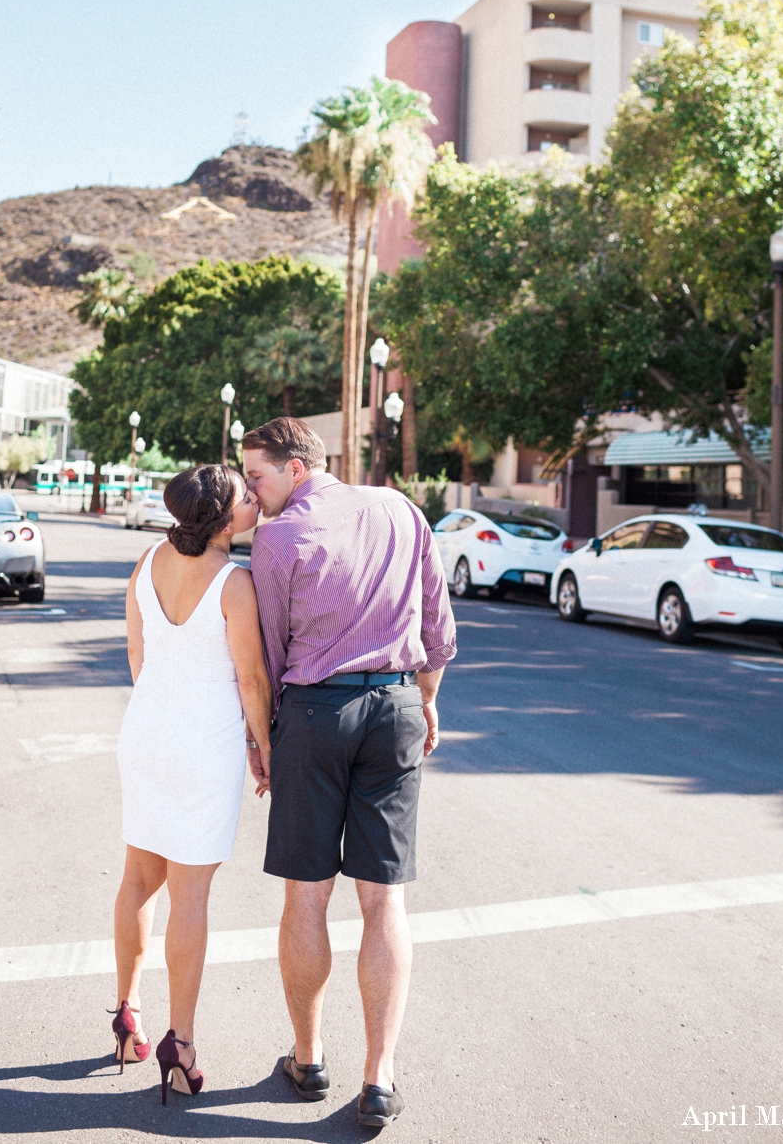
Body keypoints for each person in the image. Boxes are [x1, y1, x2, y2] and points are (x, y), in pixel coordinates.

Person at [242, 417, 456, 1129]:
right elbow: (436, 622)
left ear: (295, 469)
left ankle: (307, 1061)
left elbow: (270, 649)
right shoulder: (399, 508)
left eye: (257, 477)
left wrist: (261, 736)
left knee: (306, 898)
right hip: (393, 707)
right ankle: (379, 1079)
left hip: (313, 716)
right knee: (383, 900)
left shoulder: (273, 539)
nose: (251, 490)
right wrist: (423, 702)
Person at [110, 465, 272, 1105]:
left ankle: (127, 1014)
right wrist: (262, 748)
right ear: (223, 518)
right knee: (191, 894)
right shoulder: (235, 583)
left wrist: (159, 709)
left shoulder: (148, 561)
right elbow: (252, 683)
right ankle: (181, 1042)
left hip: (145, 732)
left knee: (137, 877)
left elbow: (137, 656)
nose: (254, 500)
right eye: (244, 496)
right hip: (205, 746)